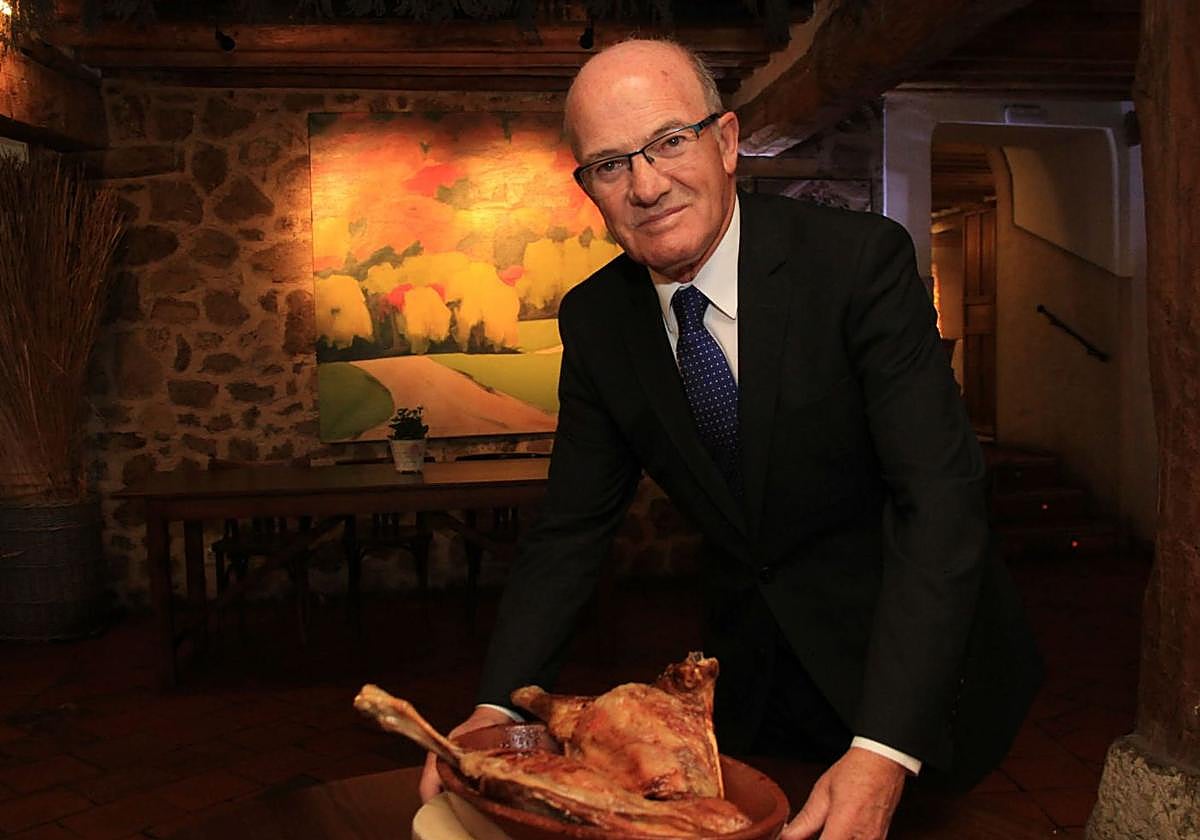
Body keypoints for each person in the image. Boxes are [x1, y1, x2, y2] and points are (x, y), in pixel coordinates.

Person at [419, 38, 1041, 840]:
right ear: (588, 187)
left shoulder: (856, 264)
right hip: (750, 689)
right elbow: (571, 530)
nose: (646, 185)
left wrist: (886, 748)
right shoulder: (598, 320)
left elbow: (941, 502)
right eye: (610, 164)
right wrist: (497, 709)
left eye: (670, 141)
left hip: (910, 674)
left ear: (726, 141)